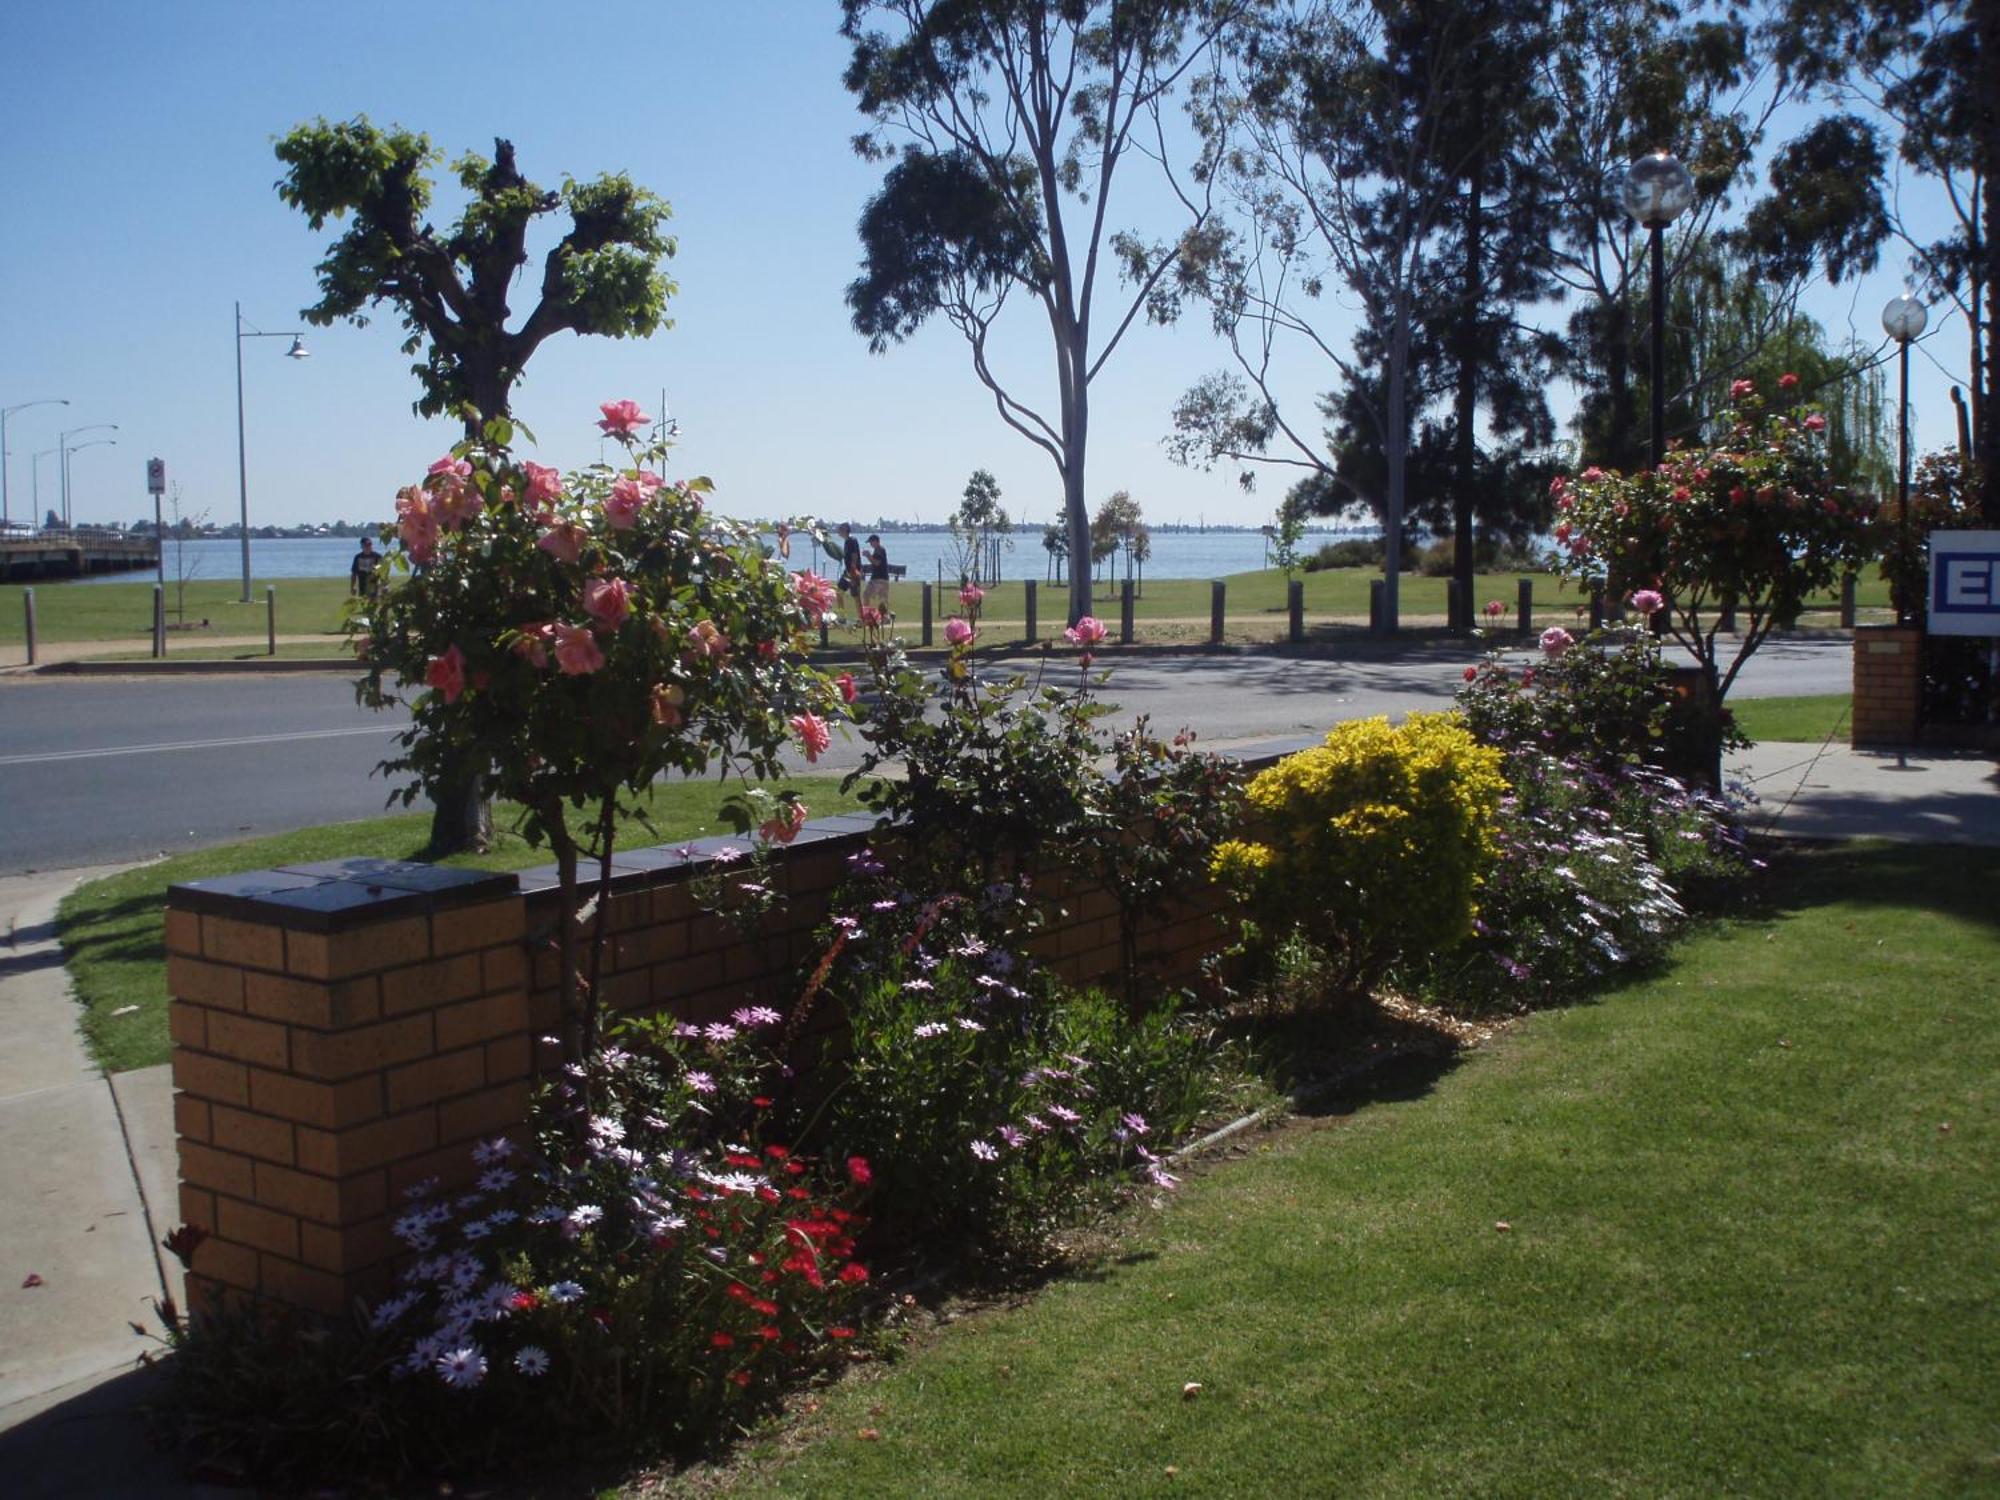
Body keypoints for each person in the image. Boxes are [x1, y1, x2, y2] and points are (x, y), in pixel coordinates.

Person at [834, 522, 864, 597]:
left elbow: (854, 555)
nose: (839, 531)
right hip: (848, 571)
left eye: (840, 529)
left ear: (845, 530)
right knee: (839, 591)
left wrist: (853, 571)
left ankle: (860, 609)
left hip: (853, 571)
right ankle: (841, 609)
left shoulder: (852, 540)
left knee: (855, 595)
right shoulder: (847, 541)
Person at [864, 533, 891, 613]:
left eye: (871, 542)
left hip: (878, 579)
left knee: (866, 595)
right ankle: (885, 617)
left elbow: (877, 563)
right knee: (882, 599)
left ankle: (866, 614)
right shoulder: (879, 550)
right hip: (883, 578)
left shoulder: (879, 550)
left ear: (876, 541)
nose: (870, 544)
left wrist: (868, 555)